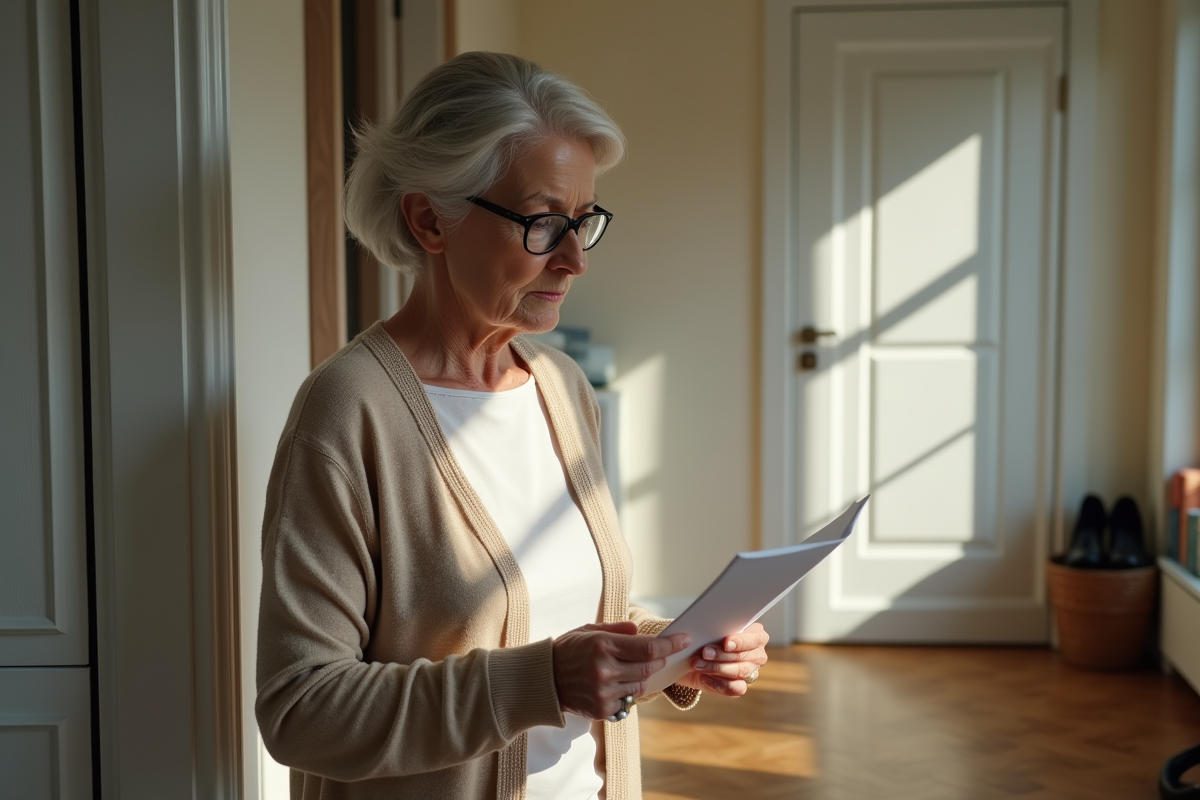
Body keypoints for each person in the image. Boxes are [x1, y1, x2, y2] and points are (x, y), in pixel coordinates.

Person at [255, 51, 769, 800]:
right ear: (430, 220)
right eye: (543, 223)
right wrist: (542, 682)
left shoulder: (561, 387)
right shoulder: (346, 412)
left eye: (583, 222)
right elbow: (301, 711)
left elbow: (574, 614)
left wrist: (678, 646)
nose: (574, 260)